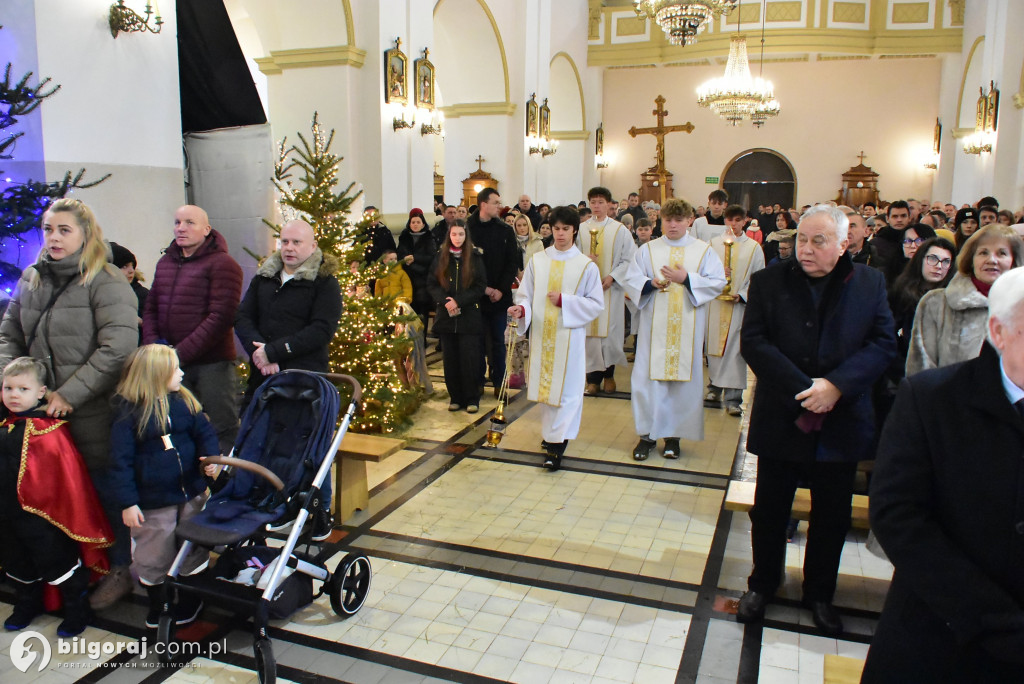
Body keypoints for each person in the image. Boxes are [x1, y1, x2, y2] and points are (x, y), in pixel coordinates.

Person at [737, 204, 896, 636]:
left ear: (845, 243)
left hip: (842, 419)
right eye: (801, 239)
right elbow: (754, 341)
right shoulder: (769, 281)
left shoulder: (869, 283)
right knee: (769, 510)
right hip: (783, 415)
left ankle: (820, 593)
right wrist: (806, 391)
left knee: (832, 515)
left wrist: (837, 387)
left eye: (818, 241)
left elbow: (882, 344)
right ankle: (762, 583)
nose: (805, 249)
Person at [862, 267, 1024, 681]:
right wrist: (996, 620)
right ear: (998, 331)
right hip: (939, 632)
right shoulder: (933, 399)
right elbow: (898, 515)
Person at [0, 198, 138, 611]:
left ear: (85, 233)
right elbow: (8, 335)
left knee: (101, 490)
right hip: (38, 415)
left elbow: (117, 348)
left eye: (64, 230)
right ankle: (61, 569)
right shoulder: (32, 279)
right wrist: (13, 384)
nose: (54, 237)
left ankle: (118, 569)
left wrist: (68, 394)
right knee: (46, 492)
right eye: (48, 229)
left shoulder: (106, 280)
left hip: (92, 410)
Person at [108, 345, 220, 629]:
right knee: (153, 553)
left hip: (190, 492)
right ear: (155, 376)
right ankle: (160, 601)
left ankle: (192, 597)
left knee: (192, 546)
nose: (182, 373)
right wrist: (128, 502)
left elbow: (204, 433)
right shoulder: (129, 415)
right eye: (175, 369)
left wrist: (210, 458)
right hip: (152, 500)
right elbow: (120, 463)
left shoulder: (185, 403)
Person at [0, 357, 112, 637]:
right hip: (6, 513)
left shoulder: (49, 432)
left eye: (23, 389)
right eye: (8, 388)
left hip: (43, 517)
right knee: (16, 561)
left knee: (56, 561)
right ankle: (28, 603)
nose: (14, 395)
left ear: (41, 392)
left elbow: (67, 483)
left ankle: (77, 610)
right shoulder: (4, 425)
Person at [624, 198, 726, 461]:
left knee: (679, 386)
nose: (673, 225)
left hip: (687, 332)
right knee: (647, 383)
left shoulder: (703, 251)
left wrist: (687, 279)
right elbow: (632, 279)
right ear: (661, 220)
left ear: (689, 221)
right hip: (652, 332)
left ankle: (672, 438)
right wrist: (649, 284)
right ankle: (646, 436)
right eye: (668, 219)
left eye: (679, 220)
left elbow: (718, 282)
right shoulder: (647, 251)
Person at [509, 206, 603, 471]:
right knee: (546, 390)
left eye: (566, 229)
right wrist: (521, 309)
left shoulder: (585, 266)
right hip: (542, 335)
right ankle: (552, 437)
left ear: (574, 230)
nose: (560, 234)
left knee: (568, 391)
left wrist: (566, 301)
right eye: (556, 229)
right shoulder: (538, 260)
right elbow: (525, 295)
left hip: (569, 337)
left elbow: (596, 304)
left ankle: (556, 444)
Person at [143, 205, 242, 455]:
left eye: (189, 222)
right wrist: (157, 349)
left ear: (206, 230)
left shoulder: (223, 264)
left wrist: (178, 354)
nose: (181, 228)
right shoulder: (166, 262)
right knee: (177, 425)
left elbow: (221, 317)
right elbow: (151, 307)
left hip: (212, 365)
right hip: (170, 362)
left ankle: (225, 485)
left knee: (220, 428)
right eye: (177, 222)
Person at [234, 219, 342, 412]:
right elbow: (243, 317)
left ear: (313, 246)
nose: (289, 248)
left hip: (303, 380)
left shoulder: (325, 282)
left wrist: (274, 352)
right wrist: (260, 353)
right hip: (261, 376)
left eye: (296, 242)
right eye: (285, 242)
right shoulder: (264, 277)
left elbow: (321, 330)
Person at [907, 225, 1024, 375]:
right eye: (983, 252)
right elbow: (921, 369)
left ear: (1014, 261)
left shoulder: (1019, 308)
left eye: (1001, 253)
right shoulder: (936, 303)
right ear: (971, 259)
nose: (992, 260)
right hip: (947, 396)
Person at [706, 205, 765, 416]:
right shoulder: (712, 245)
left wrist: (742, 294)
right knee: (714, 349)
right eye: (729, 220)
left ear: (745, 221)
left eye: (737, 220)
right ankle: (714, 387)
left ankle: (733, 399)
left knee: (735, 353)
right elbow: (702, 272)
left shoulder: (754, 248)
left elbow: (759, 278)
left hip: (739, 307)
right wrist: (717, 274)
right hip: (715, 304)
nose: (733, 224)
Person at [577, 186, 636, 395]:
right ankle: (592, 380)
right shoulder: (582, 229)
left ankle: (609, 375)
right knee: (590, 336)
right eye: (593, 202)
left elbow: (629, 258)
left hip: (611, 291)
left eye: (601, 202)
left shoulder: (619, 230)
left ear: (610, 204)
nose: (597, 206)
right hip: (587, 292)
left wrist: (612, 277)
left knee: (609, 335)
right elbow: (573, 256)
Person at [428, 224, 487, 413]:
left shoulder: (475, 257)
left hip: (468, 316)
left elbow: (479, 286)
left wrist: (459, 301)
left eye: (461, 234)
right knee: (450, 360)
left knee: (469, 359)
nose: (457, 238)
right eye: (454, 234)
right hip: (446, 316)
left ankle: (471, 398)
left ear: (466, 236)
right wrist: (446, 301)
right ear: (449, 236)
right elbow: (432, 283)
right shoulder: (440, 256)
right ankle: (455, 397)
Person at [467, 188, 520, 395]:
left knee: (499, 342)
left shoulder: (504, 230)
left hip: (500, 296)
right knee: (477, 342)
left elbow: (511, 262)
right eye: (496, 202)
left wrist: (500, 289)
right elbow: (465, 265)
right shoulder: (467, 229)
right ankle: (477, 381)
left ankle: (499, 382)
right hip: (475, 297)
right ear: (483, 204)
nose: (500, 206)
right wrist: (484, 288)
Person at [396, 208, 438, 328]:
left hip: (423, 278)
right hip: (407, 278)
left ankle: (422, 339)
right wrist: (405, 259)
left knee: (422, 310)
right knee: (409, 310)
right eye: (413, 222)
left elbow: (431, 257)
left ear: (423, 224)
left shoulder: (429, 237)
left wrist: (415, 258)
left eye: (418, 222)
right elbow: (400, 254)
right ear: (409, 224)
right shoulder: (404, 237)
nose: (415, 224)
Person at [110, 242, 148, 341]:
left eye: (132, 266)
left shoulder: (142, 295)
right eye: (124, 267)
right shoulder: (102, 294)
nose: (131, 271)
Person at [871, 200, 913, 279]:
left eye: (903, 216)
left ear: (909, 218)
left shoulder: (917, 241)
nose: (899, 220)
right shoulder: (876, 244)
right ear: (887, 219)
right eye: (895, 216)